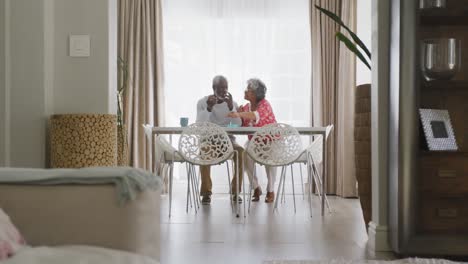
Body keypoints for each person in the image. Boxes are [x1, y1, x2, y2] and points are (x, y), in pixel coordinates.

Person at [227, 78, 277, 203]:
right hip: (254, 142)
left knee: (270, 160)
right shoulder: (246, 107)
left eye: (248, 90)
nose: (245, 91)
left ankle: (271, 190)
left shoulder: (265, 105)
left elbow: (255, 115)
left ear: (255, 94)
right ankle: (256, 187)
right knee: (245, 155)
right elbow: (241, 122)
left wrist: (239, 115)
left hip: (270, 141)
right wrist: (237, 114)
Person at [196, 75, 244, 205]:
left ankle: (235, 192)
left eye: (226, 88)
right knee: (204, 151)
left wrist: (231, 108)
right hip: (209, 140)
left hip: (229, 140)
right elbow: (200, 124)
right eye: (221, 88)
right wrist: (209, 108)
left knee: (240, 152)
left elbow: (238, 125)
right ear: (213, 88)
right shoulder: (202, 102)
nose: (224, 91)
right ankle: (206, 193)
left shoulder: (232, 104)